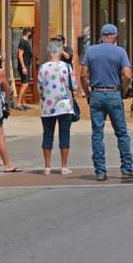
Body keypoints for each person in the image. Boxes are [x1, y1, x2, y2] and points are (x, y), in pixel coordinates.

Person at [80, 23, 133, 181]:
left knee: (97, 134)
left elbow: (83, 75)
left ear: (102, 36)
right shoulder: (120, 52)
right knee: (122, 133)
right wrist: (123, 89)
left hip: (96, 93)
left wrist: (87, 93)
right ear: (115, 36)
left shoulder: (91, 51)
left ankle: (100, 171)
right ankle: (126, 168)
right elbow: (128, 75)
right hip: (114, 93)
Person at [39, 41, 76, 175]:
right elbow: (74, 86)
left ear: (49, 52)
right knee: (64, 134)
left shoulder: (43, 68)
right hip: (64, 105)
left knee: (48, 134)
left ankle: (47, 166)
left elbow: (40, 87)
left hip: (48, 106)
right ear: (60, 52)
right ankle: (64, 166)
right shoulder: (66, 67)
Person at [16, 29, 34, 109]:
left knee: (26, 84)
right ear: (27, 33)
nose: (31, 35)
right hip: (24, 65)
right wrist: (23, 67)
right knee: (25, 84)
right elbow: (20, 55)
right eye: (30, 33)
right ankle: (18, 103)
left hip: (27, 65)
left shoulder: (26, 42)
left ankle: (24, 102)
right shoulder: (23, 42)